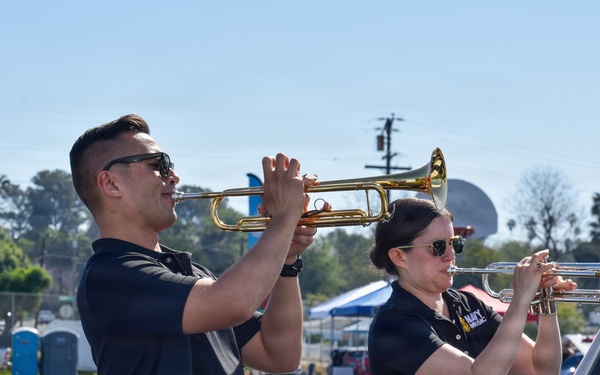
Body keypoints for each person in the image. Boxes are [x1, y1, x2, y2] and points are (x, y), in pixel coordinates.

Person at [70, 114, 325, 374]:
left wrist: (286, 261)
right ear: (110, 183)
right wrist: (284, 217)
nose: (174, 176)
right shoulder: (111, 275)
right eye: (158, 164)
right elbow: (233, 302)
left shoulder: (198, 276)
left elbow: (280, 356)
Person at [367, 197, 577, 375]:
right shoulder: (393, 325)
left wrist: (545, 302)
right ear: (399, 257)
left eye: (454, 243)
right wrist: (521, 299)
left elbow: (542, 370)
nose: (451, 256)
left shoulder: (468, 304)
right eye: (438, 247)